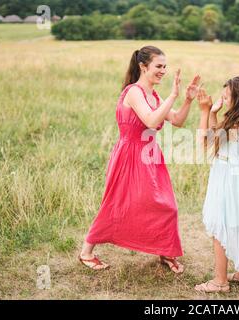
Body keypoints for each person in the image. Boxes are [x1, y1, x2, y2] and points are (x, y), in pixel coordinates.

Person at [79, 46, 200, 273]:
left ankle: (165, 251)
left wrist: (187, 100)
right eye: (158, 66)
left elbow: (177, 121)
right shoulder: (134, 92)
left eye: (165, 66)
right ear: (143, 67)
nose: (163, 71)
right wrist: (173, 95)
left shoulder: (153, 94)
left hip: (150, 155)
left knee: (166, 205)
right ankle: (86, 252)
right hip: (129, 154)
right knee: (117, 203)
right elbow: (152, 121)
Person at [194, 76, 239, 293]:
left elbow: (205, 141)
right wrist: (213, 113)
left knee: (220, 226)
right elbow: (216, 139)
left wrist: (205, 111)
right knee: (235, 223)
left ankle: (220, 281)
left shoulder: (237, 124)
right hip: (232, 174)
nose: (222, 98)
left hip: (228, 177)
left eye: (226, 95)